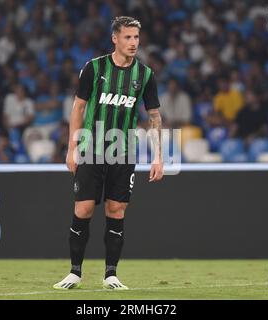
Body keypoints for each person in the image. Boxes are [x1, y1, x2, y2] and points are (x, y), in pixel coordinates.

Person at [53, 16, 163, 291]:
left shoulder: (145, 75)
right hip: (91, 148)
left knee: (116, 210)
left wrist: (158, 155)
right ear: (115, 38)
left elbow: (154, 116)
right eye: (127, 37)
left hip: (123, 152)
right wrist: (72, 148)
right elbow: (78, 108)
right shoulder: (94, 68)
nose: (133, 43)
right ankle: (75, 272)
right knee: (84, 208)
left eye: (136, 37)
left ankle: (111, 274)